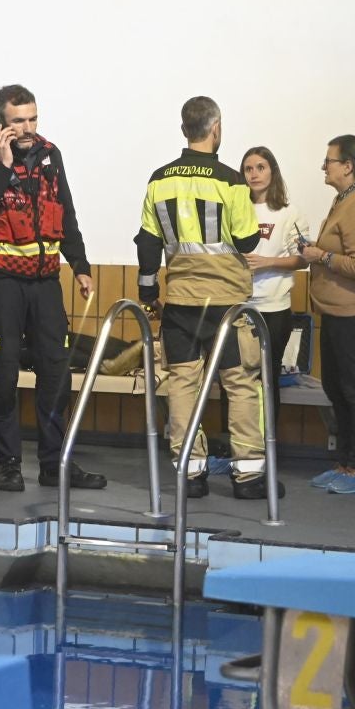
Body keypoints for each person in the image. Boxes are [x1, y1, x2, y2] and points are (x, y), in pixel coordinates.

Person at [0, 84, 107, 493]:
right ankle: (7, 463)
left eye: (33, 118)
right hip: (1, 281)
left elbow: (67, 211)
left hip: (45, 282)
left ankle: (54, 463)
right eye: (18, 120)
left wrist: (80, 265)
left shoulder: (50, 155)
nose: (28, 128)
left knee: (56, 375)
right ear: (0, 122)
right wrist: (4, 165)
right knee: (3, 374)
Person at [135, 96, 282, 500]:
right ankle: (249, 476)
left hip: (181, 301)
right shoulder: (232, 181)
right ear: (215, 128)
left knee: (182, 383)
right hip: (227, 303)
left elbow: (148, 243)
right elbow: (249, 239)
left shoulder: (159, 179)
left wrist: (148, 292)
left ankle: (190, 472)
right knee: (240, 383)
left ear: (185, 128)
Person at [298, 135, 355, 495]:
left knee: (352, 389)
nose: (324, 166)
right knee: (335, 386)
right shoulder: (344, 199)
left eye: (329, 161)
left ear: (348, 166)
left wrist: (321, 257)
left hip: (352, 309)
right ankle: (345, 463)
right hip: (335, 308)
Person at [240, 146, 314, 424]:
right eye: (248, 168)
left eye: (261, 167)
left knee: (267, 378)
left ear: (272, 171)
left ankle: (266, 447)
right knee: (234, 378)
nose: (254, 174)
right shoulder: (236, 208)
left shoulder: (289, 212)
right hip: (239, 307)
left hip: (273, 307)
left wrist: (266, 263)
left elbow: (302, 260)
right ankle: (236, 448)